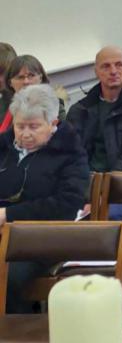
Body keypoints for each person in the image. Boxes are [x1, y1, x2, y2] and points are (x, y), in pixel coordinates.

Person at [1, 85, 90, 314]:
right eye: (20, 126)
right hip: (3, 235)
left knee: (6, 276)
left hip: (43, 239)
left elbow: (66, 206)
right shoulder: (3, 147)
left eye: (34, 126)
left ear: (53, 124)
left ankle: (17, 338)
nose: (25, 134)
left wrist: (8, 215)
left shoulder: (70, 153)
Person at [66, 46, 122, 221]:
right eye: (106, 66)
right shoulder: (80, 110)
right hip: (84, 185)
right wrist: (86, 194)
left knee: (106, 218)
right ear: (96, 71)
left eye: (119, 65)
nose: (113, 71)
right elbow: (72, 158)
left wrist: (99, 197)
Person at [1, 55, 68, 133]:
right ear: (10, 83)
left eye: (31, 76)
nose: (26, 81)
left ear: (40, 78)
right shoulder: (4, 105)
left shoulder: (54, 105)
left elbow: (64, 136)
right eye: (20, 77)